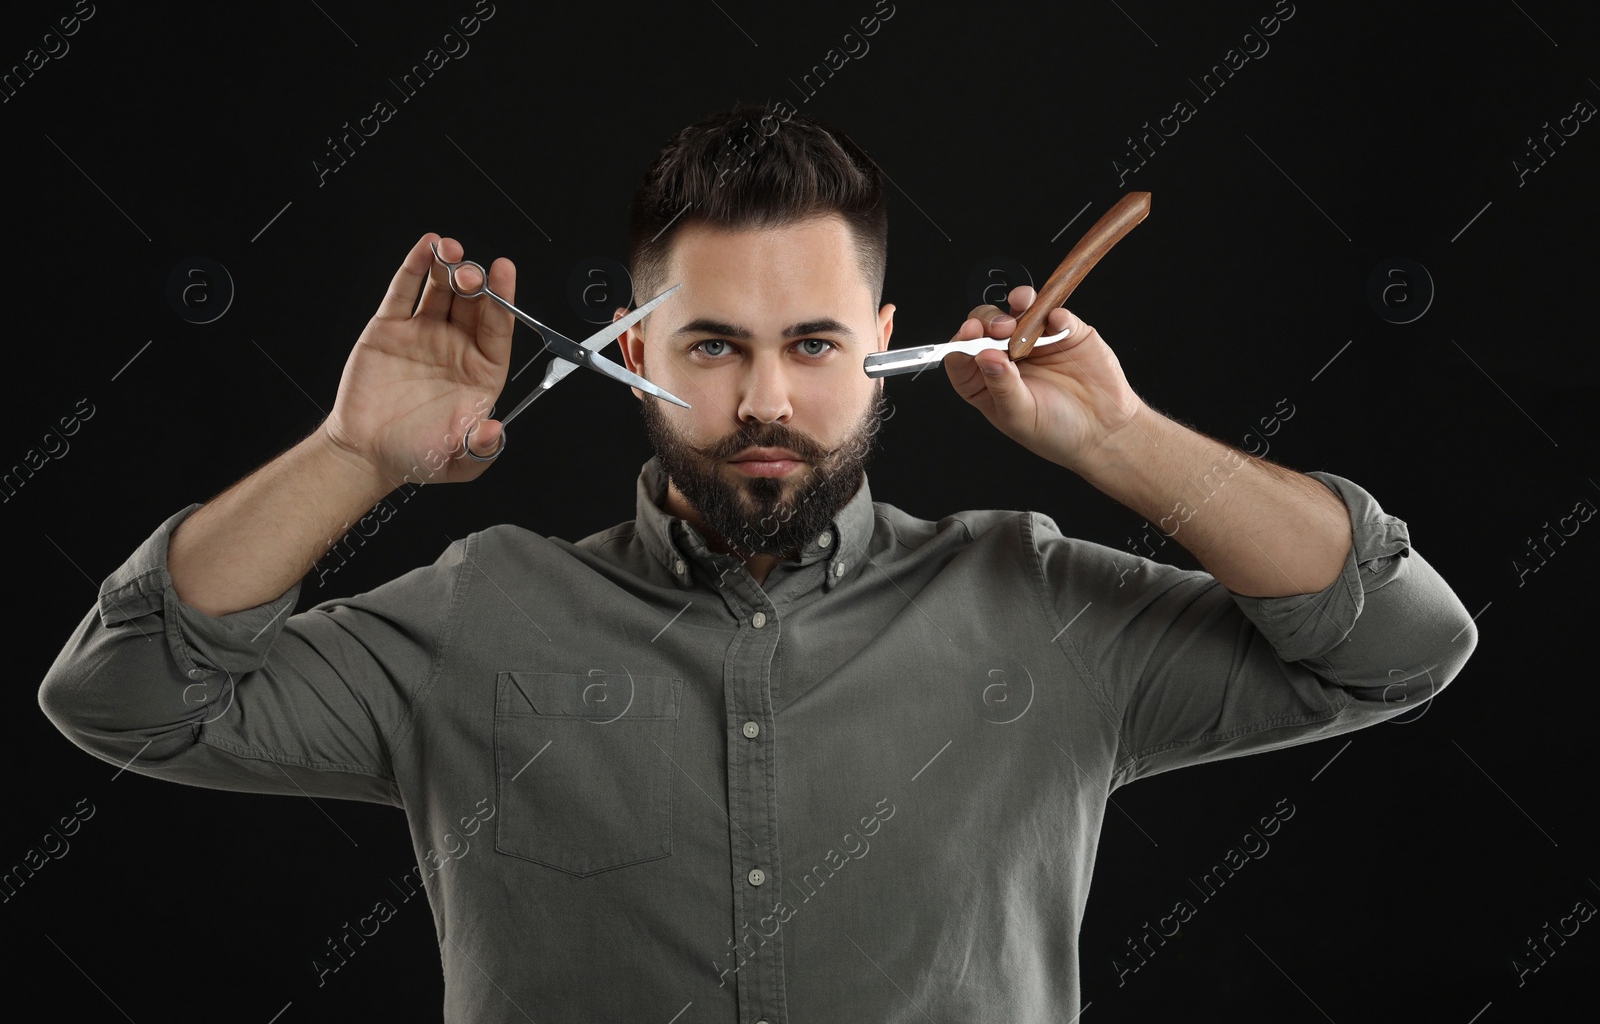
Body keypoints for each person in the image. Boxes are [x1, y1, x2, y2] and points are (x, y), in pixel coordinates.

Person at [40, 103, 1477, 1023]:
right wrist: (352, 452)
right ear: (631, 356)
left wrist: (1119, 440)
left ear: (889, 344)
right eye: (714, 346)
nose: (769, 401)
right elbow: (118, 700)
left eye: (815, 345)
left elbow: (1401, 645)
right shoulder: (481, 615)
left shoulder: (1041, 608)